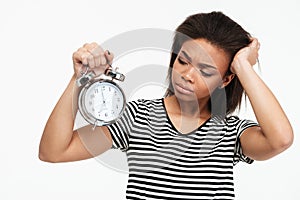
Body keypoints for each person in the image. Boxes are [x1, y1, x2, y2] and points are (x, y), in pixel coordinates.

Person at [39, 11, 293, 199]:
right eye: (183, 61)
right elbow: (53, 151)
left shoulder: (230, 132)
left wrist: (243, 66)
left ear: (225, 79)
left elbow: (280, 139)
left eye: (205, 71)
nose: (187, 75)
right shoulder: (137, 117)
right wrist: (78, 78)